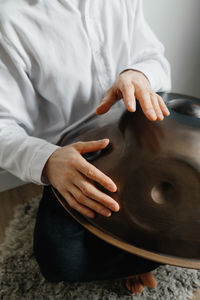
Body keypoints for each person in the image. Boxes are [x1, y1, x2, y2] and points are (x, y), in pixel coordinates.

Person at [0, 0, 171, 294]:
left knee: (185, 208)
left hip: (142, 134)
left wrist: (138, 73)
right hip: (78, 158)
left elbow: (153, 57)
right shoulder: (11, 17)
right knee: (60, 259)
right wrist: (49, 160)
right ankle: (142, 257)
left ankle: (139, 255)